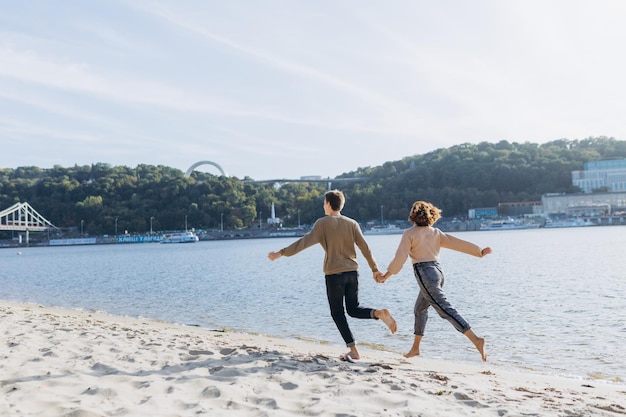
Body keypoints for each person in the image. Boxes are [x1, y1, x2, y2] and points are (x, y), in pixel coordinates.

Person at [268, 189, 397, 362]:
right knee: (353, 309)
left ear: (328, 204)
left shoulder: (322, 223)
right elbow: (365, 248)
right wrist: (374, 269)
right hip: (352, 272)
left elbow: (303, 242)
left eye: (324, 203)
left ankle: (354, 351)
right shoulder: (352, 223)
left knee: (337, 313)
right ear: (341, 204)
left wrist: (281, 253)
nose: (324, 206)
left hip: (334, 275)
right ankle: (378, 313)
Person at [379, 200, 491, 362]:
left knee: (446, 310)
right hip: (438, 272)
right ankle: (416, 348)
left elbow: (400, 258)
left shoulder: (409, 234)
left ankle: (476, 340)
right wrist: (479, 251)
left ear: (414, 214)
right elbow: (457, 243)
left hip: (425, 274)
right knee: (420, 309)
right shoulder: (435, 232)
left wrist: (385, 276)